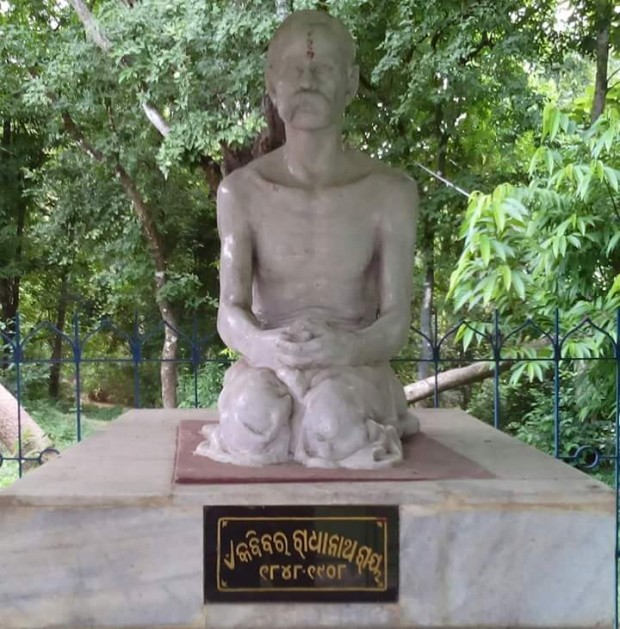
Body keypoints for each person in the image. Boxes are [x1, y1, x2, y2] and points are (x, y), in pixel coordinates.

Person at [196, 10, 419, 469]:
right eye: (294, 68)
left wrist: (350, 348)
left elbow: (396, 320)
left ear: (351, 83)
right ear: (272, 82)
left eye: (324, 68)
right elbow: (230, 310)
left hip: (354, 367)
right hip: (268, 362)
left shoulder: (390, 192)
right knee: (252, 420)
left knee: (333, 425)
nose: (308, 80)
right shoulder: (240, 192)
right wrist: (264, 347)